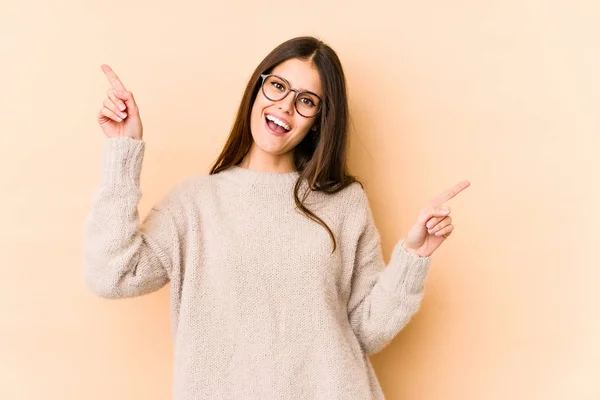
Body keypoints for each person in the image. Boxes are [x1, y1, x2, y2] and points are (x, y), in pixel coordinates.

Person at [83, 36, 470, 399]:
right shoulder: (195, 204)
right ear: (258, 89)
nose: (285, 105)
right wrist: (123, 149)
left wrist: (414, 256)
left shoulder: (344, 203)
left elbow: (365, 333)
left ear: (319, 119)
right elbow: (111, 275)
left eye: (306, 100)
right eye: (278, 87)